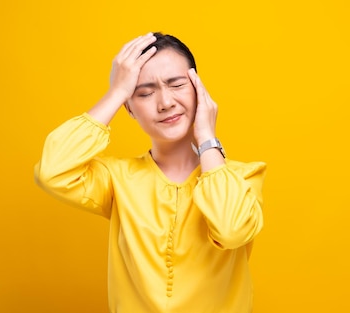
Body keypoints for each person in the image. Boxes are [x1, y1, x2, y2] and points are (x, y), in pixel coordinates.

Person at [34, 32, 267, 312]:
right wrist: (117, 92)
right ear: (129, 109)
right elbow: (52, 170)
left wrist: (206, 137)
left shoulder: (243, 178)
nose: (165, 102)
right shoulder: (117, 179)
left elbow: (231, 230)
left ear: (198, 88)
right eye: (144, 93)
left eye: (177, 84)